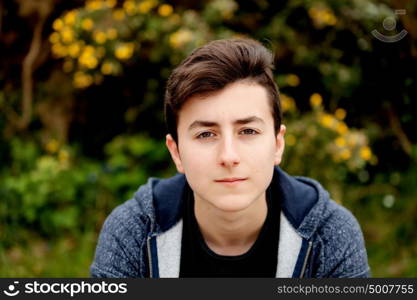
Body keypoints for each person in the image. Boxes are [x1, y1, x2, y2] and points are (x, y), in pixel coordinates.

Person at [90, 38, 370, 278]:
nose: (228, 156)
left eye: (248, 131)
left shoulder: (330, 233)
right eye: (205, 135)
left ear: (277, 144)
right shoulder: (133, 232)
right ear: (176, 152)